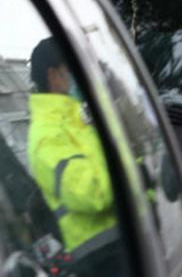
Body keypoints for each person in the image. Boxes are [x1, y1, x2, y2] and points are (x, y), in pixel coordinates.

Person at [27, 37, 122, 273]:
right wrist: (135, 174)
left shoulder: (74, 121)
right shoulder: (46, 136)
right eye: (71, 68)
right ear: (54, 76)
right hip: (102, 258)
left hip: (120, 243)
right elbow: (91, 193)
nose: (78, 75)